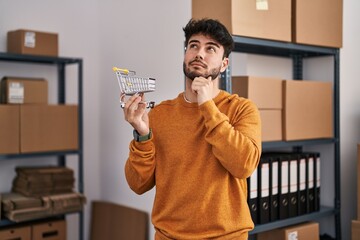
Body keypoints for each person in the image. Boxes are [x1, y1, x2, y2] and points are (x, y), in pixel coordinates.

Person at [122, 18, 262, 240]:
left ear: (224, 64)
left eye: (211, 49)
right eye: (193, 46)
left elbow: (244, 165)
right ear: (185, 54)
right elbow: (138, 184)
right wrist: (142, 134)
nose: (199, 54)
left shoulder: (241, 109)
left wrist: (207, 106)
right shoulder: (160, 114)